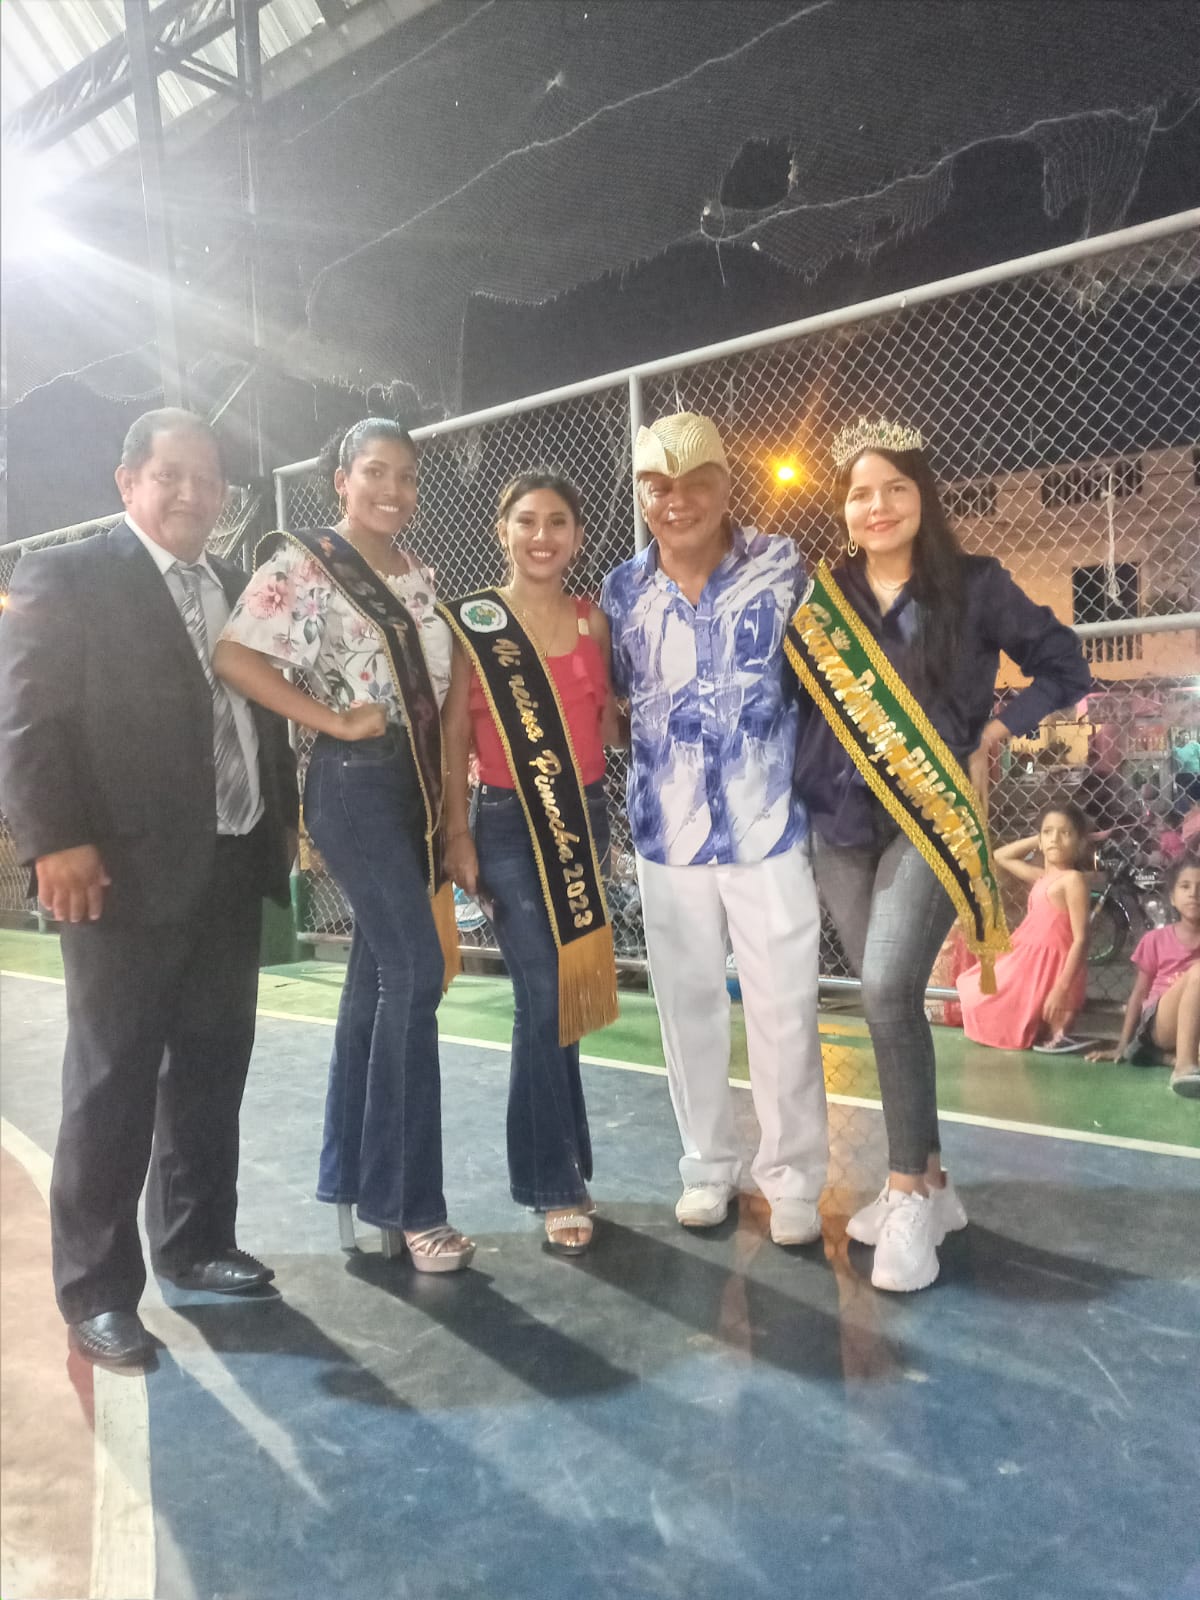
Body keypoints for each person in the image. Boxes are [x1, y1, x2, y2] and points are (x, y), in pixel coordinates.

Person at [0, 409, 298, 1368]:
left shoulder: (234, 587)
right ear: (128, 480)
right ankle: (95, 1289)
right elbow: (26, 720)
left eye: (207, 479)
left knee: (212, 1064)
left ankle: (197, 1241)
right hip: (118, 873)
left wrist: (281, 822)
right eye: (171, 475)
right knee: (112, 1078)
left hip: (230, 858)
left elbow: (261, 717)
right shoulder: (66, 574)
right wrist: (55, 841)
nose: (191, 494)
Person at [791, 418, 1092, 1293]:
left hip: (928, 822)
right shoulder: (823, 601)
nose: (877, 506)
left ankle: (903, 1195)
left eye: (895, 488)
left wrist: (998, 729)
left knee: (887, 989)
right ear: (843, 510)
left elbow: (1064, 663)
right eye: (859, 494)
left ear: (923, 496)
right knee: (890, 1008)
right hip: (837, 822)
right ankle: (930, 1181)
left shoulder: (976, 584)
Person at [213, 417, 474, 1272]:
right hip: (354, 783)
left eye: (407, 476)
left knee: (377, 978)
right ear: (341, 480)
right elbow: (236, 657)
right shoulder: (307, 563)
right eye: (375, 472)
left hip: (415, 790)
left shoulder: (418, 578)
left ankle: (355, 1184)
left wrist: (454, 816)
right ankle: (411, 1205)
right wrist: (330, 721)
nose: (393, 490)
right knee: (417, 969)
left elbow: (448, 699)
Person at [601, 412, 829, 1246]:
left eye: (697, 482)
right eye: (658, 486)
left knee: (785, 1009)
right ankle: (707, 1167)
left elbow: (827, 682)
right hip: (668, 837)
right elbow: (616, 708)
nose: (677, 500)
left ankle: (794, 1178)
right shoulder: (621, 592)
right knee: (687, 1007)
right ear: (641, 495)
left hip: (769, 828)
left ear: (728, 485)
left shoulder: (783, 567)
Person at [440, 472, 619, 1254]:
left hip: (585, 818)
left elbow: (608, 725)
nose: (542, 536)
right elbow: (454, 734)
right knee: (542, 993)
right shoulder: (474, 623)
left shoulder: (591, 620)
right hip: (508, 825)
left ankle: (564, 1161)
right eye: (527, 521)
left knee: (568, 992)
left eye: (557, 522)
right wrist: (457, 832)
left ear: (576, 536)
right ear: (502, 530)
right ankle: (552, 1183)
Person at [957, 801, 1091, 1052]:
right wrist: (1038, 839)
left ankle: (1055, 1030)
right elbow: (1000, 856)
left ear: (1080, 842)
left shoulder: (1072, 880)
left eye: (1065, 833)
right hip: (1027, 959)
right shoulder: (1043, 877)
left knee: (985, 997)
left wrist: (1062, 987)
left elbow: (1081, 939)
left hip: (1051, 966)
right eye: (1048, 832)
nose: (1055, 839)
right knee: (974, 989)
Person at [1087, 854, 1200, 1098]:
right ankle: (1183, 1067)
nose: (1194, 894)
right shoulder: (1156, 940)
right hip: (1160, 1023)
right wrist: (1122, 1044)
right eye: (1185, 886)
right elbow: (1139, 993)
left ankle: (1159, 1057)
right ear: (1172, 897)